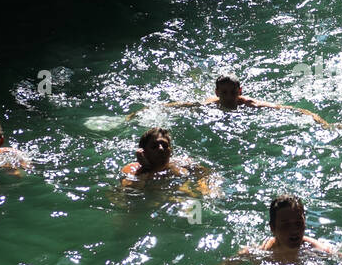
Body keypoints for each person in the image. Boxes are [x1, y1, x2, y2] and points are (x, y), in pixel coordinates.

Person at [161, 74, 329, 126]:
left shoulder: (250, 104)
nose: (228, 97)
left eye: (233, 92)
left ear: (240, 91)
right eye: (224, 93)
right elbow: (182, 105)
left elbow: (287, 108)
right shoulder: (210, 104)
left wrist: (317, 119)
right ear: (217, 93)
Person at [120, 127, 210, 188]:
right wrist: (146, 168)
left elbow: (206, 174)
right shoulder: (132, 170)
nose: (161, 149)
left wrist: (204, 187)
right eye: (154, 146)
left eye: (165, 145)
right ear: (144, 152)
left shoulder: (182, 163)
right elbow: (129, 193)